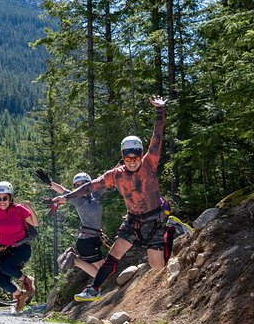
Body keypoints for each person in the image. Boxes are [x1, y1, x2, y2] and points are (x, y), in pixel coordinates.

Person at [51, 95, 168, 302]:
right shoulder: (115, 174)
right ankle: (94, 289)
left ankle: (171, 230)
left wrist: (160, 111)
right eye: (127, 158)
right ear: (123, 157)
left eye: (135, 157)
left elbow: (157, 139)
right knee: (115, 253)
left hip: (155, 219)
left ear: (141, 155)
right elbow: (90, 187)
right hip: (133, 220)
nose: (132, 162)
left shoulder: (150, 163)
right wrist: (66, 198)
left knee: (157, 267)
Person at [0, 181, 39, 314]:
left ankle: (26, 280)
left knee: (5, 267)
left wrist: (30, 208)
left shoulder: (19, 209)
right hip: (4, 251)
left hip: (21, 249)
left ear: (10, 197)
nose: (2, 201)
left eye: (5, 198)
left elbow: (35, 223)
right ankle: (20, 295)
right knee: (2, 282)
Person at [36, 169, 106, 278]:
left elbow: (107, 178)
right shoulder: (77, 199)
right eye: (76, 186)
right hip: (86, 241)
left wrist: (122, 163)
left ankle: (75, 260)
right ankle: (75, 260)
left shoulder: (95, 195)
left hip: (92, 238)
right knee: (103, 275)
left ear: (89, 184)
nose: (79, 187)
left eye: (82, 184)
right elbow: (62, 190)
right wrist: (49, 182)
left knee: (103, 272)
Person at [160, 196, 193, 261]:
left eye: (167, 213)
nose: (165, 215)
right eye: (165, 213)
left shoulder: (171, 220)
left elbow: (184, 227)